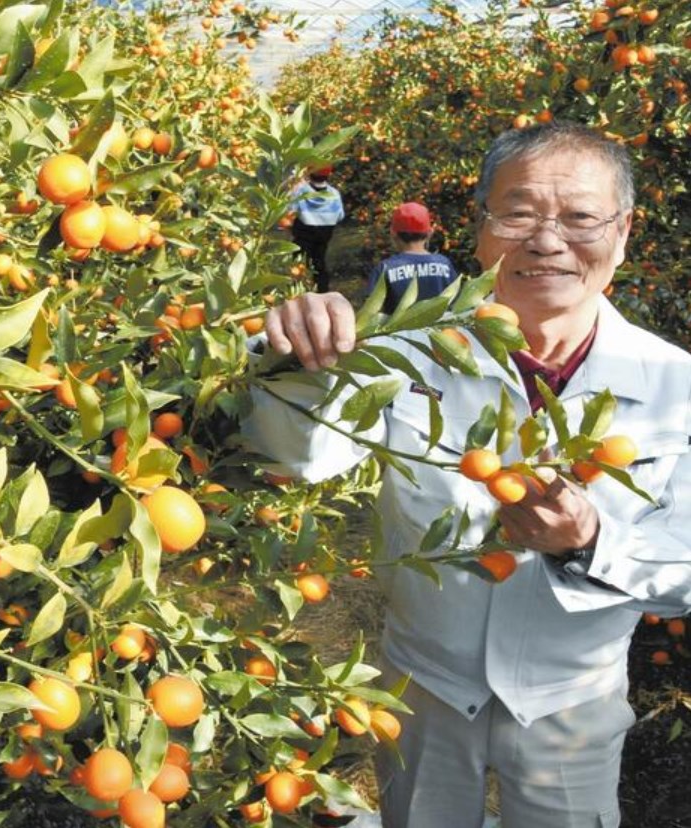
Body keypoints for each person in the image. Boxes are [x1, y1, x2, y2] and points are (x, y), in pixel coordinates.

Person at [243, 122, 691, 828]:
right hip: (423, 687)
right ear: (479, 229)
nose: (546, 241)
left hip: (570, 703)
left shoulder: (674, 385)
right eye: (518, 213)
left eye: (579, 217)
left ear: (624, 231)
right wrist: (297, 365)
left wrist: (589, 542)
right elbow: (299, 461)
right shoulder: (405, 351)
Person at [367, 202, 458, 313]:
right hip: (442, 330)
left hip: (398, 330)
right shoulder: (444, 264)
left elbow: (370, 311)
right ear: (429, 233)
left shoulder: (384, 269)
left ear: (393, 233)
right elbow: (456, 303)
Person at [289, 165, 344, 293]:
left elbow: (291, 209)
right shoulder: (334, 193)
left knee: (299, 262)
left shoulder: (302, 191)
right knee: (319, 260)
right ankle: (322, 289)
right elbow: (340, 215)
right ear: (328, 175)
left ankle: (298, 289)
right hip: (324, 233)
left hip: (304, 231)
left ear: (309, 173)